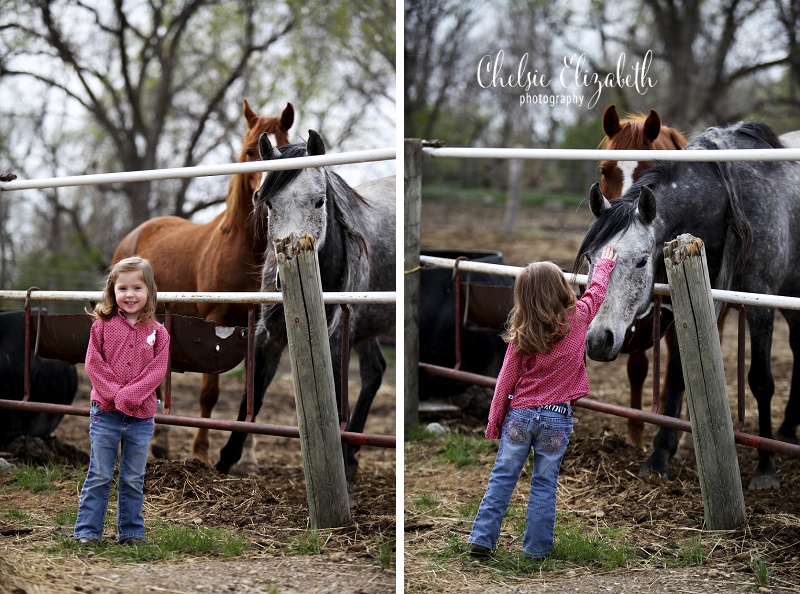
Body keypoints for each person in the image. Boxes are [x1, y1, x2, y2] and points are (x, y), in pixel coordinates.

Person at [468, 245, 617, 559]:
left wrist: (495, 422)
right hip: (557, 418)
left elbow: (505, 383)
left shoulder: (524, 333)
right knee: (545, 483)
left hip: (520, 416)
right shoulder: (580, 317)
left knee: (503, 477)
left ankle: (482, 538)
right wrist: (603, 263)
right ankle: (536, 550)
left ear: (523, 297)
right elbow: (597, 290)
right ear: (561, 288)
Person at [74, 256, 170, 546]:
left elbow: (157, 371)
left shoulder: (159, 333)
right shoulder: (101, 327)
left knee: (132, 477)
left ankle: (130, 532)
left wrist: (130, 395)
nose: (130, 295)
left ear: (150, 291)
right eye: (123, 288)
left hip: (141, 418)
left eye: (137, 288)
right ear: (112, 291)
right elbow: (93, 364)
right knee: (100, 474)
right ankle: (88, 532)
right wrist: (116, 395)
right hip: (105, 414)